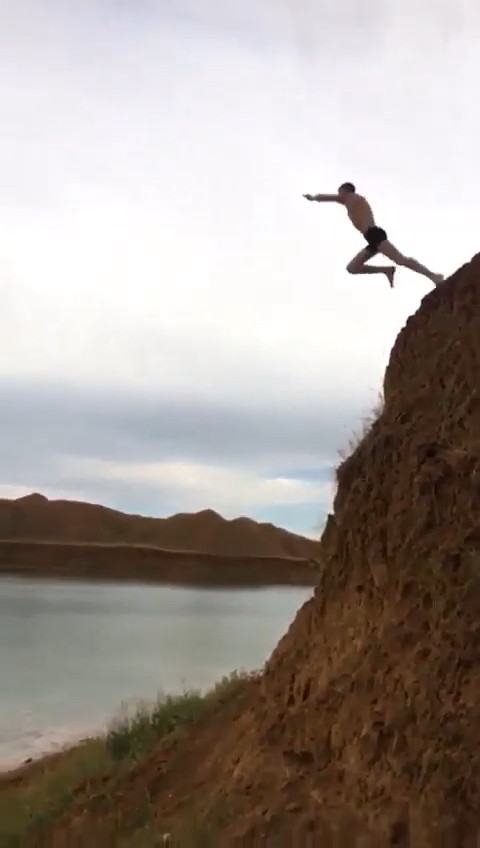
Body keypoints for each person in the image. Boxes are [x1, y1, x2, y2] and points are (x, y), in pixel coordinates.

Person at [303, 182, 444, 288]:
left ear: (345, 191)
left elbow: (331, 197)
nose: (340, 195)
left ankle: (433, 276)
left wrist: (314, 198)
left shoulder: (352, 197)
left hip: (375, 235)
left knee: (401, 260)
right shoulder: (352, 203)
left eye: (340, 192)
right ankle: (386, 270)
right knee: (352, 268)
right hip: (371, 239)